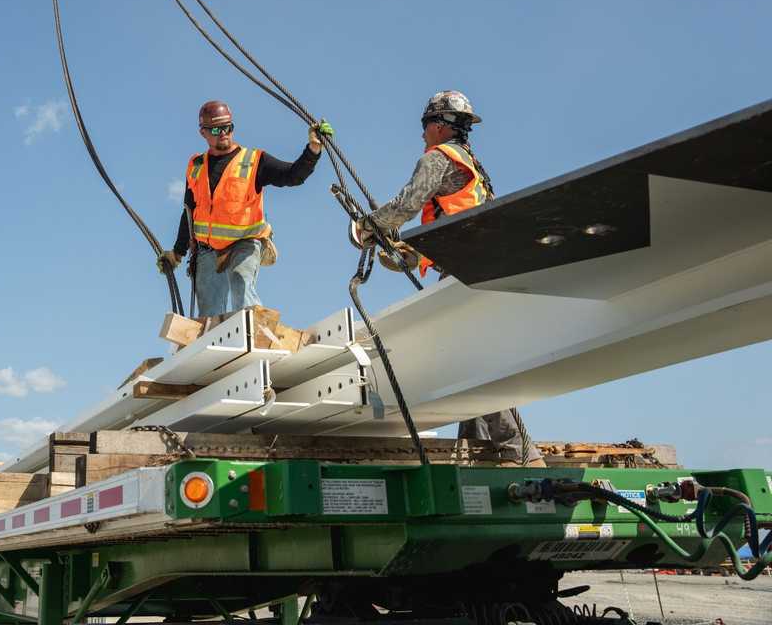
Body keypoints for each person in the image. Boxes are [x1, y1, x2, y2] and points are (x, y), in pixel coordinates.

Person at [356, 90, 544, 466]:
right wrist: (412, 252)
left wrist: (369, 225)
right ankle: (479, 447)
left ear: (440, 126)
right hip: (483, 266)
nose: (422, 134)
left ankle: (515, 448)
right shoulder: (472, 166)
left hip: (465, 268)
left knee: (467, 354)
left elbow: (407, 203)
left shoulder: (439, 157)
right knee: (468, 354)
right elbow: (455, 221)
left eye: (425, 125)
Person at [157, 100, 331, 317]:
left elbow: (293, 176)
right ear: (203, 133)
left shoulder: (254, 161)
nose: (224, 133)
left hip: (244, 243)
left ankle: (253, 332)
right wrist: (177, 253)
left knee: (241, 284)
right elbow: (189, 211)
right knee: (209, 316)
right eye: (216, 129)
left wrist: (313, 150)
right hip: (207, 250)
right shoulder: (196, 165)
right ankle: (216, 339)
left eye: (228, 127)